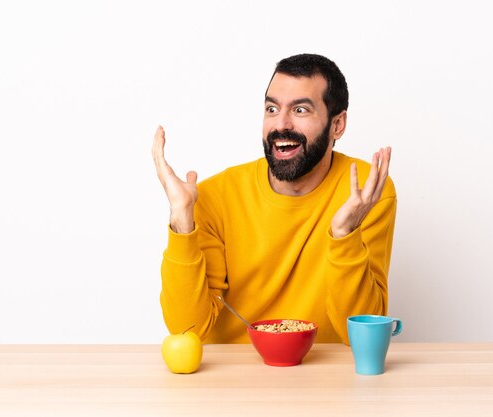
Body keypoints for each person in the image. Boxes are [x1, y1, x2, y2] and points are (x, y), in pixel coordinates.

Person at [152, 53, 396, 344]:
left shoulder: (363, 192)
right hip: (232, 380)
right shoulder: (214, 196)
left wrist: (345, 235)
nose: (281, 125)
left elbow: (361, 338)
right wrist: (181, 220)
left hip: (326, 379)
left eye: (301, 110)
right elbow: (187, 329)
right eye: (271, 108)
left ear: (337, 125)